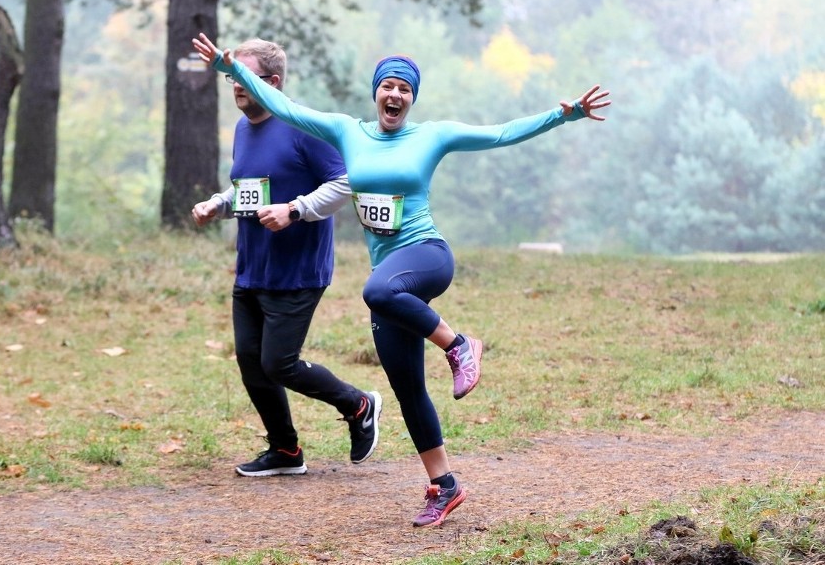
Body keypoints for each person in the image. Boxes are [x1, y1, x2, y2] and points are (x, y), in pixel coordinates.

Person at [192, 32, 611, 527]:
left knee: (376, 292)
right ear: (376, 93)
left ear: (412, 99)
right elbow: (279, 104)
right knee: (407, 384)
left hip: (427, 256)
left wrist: (564, 115)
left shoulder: (431, 136)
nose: (395, 95)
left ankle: (459, 344)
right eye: (387, 86)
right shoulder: (347, 132)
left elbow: (500, 133)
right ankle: (444, 484)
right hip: (388, 273)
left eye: (405, 90)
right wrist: (231, 69)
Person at [191, 37, 382, 479]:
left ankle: (358, 404)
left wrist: (294, 210)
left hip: (297, 271)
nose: (234, 85)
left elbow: (345, 183)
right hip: (252, 268)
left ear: (273, 82)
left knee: (280, 363)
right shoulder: (243, 129)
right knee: (251, 361)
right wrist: (217, 204)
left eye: (243, 77)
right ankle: (285, 450)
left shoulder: (306, 127)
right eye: (230, 76)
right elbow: (249, 187)